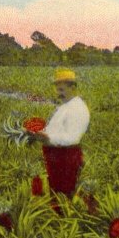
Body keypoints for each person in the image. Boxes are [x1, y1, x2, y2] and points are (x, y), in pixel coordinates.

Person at [30, 68, 90, 207]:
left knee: (63, 196)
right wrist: (41, 132)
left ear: (73, 87)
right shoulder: (65, 106)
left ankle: (62, 223)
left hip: (66, 158)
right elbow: (56, 130)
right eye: (57, 90)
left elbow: (72, 138)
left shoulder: (77, 108)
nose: (58, 94)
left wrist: (46, 138)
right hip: (57, 158)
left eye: (61, 90)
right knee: (56, 194)